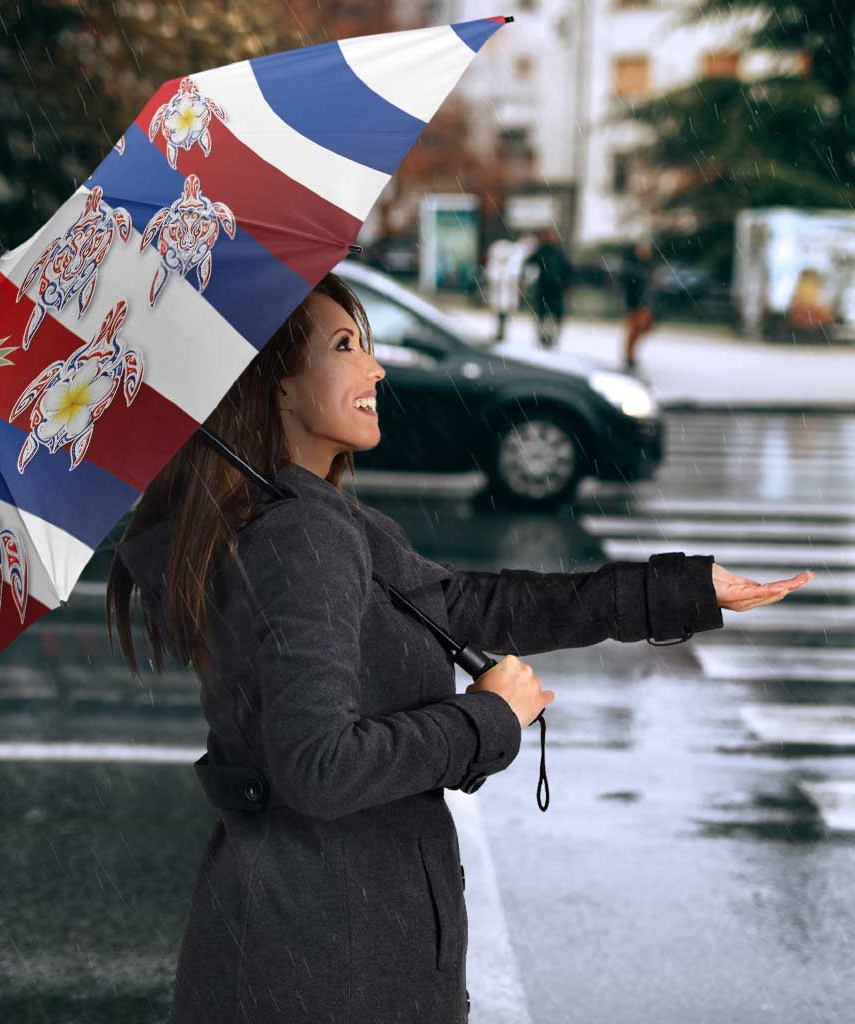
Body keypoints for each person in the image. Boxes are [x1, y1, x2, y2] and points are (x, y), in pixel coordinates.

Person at [107, 272, 811, 1024]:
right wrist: (486, 719)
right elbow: (318, 768)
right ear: (276, 388)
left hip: (316, 943)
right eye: (346, 347)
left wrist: (681, 591)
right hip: (327, 963)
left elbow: (474, 605)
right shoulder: (300, 536)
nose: (375, 368)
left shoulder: (312, 519)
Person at [523, 226, 573, 349]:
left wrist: (566, 284)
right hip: (546, 288)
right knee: (544, 314)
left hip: (554, 288)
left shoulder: (556, 252)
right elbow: (529, 264)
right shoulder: (543, 251)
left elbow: (567, 270)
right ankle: (544, 337)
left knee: (551, 315)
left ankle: (550, 337)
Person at [621, 239, 657, 370]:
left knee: (643, 328)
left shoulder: (648, 266)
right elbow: (630, 286)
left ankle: (630, 354)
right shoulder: (633, 267)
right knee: (635, 329)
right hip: (636, 303)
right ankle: (629, 355)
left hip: (645, 303)